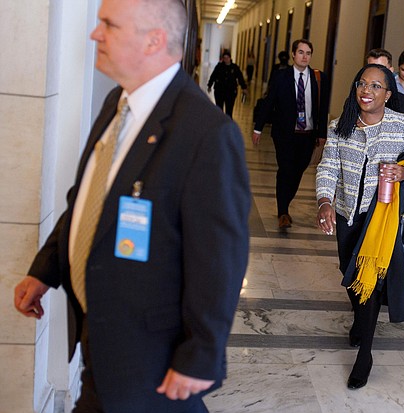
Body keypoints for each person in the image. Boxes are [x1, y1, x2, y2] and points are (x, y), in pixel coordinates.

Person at [13, 0, 251, 412]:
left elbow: (220, 260)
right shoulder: (117, 105)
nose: (94, 33)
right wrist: (46, 269)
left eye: (109, 24)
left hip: (152, 355)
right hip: (100, 337)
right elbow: (87, 201)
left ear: (154, 39)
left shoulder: (206, 133)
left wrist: (201, 354)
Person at [316, 64, 404, 389]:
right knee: (349, 275)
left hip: (382, 218)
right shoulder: (340, 125)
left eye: (376, 86)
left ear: (388, 94)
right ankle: (360, 322)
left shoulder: (401, 125)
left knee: (369, 281)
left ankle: (365, 356)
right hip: (348, 214)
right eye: (363, 83)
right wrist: (324, 201)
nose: (367, 91)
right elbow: (328, 166)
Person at [253, 39, 330, 229]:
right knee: (286, 170)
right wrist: (258, 128)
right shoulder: (281, 76)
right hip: (285, 134)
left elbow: (323, 107)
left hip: (308, 134)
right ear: (293, 54)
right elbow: (269, 102)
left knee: (298, 172)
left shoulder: (319, 78)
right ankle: (283, 212)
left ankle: (284, 204)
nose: (305, 56)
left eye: (308, 53)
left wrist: (322, 133)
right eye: (301, 52)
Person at [366, 48, 404, 158]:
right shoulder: (357, 99)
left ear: (390, 70)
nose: (374, 74)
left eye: (381, 69)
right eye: (370, 68)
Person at [207, 50, 248, 118]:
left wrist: (244, 87)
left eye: (227, 58)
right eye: (224, 58)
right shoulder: (219, 67)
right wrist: (209, 85)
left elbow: (240, 77)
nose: (226, 60)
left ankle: (227, 125)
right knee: (219, 109)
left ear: (230, 58)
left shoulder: (234, 68)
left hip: (230, 92)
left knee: (229, 110)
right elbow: (213, 76)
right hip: (219, 91)